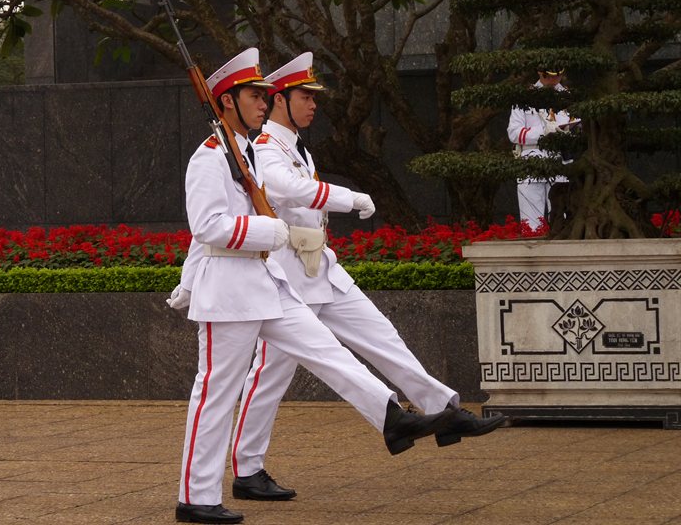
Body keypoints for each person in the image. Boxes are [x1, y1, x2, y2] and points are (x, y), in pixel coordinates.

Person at [172, 48, 454, 524]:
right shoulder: (210, 159)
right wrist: (269, 233)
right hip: (228, 291)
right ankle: (196, 498)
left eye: (265, 94)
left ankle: (390, 416)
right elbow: (208, 227)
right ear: (225, 101)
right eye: (254, 95)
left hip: (267, 281)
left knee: (328, 351)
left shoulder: (245, 155)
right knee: (217, 393)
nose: (264, 102)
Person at [221, 53, 506, 502]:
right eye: (304, 96)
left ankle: (442, 409)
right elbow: (285, 189)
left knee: (383, 337)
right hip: (291, 276)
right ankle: (248, 470)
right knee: (269, 376)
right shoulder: (264, 147)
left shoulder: (297, 146)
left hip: (321, 268)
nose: (314, 105)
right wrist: (348, 197)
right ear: (279, 101)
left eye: (314, 97)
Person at [507, 67, 578, 230]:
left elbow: (576, 126)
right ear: (540, 73)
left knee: (562, 222)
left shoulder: (568, 95)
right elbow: (514, 133)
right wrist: (543, 133)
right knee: (531, 225)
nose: (554, 80)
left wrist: (569, 132)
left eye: (558, 76)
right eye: (549, 76)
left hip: (560, 161)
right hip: (531, 163)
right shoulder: (524, 96)